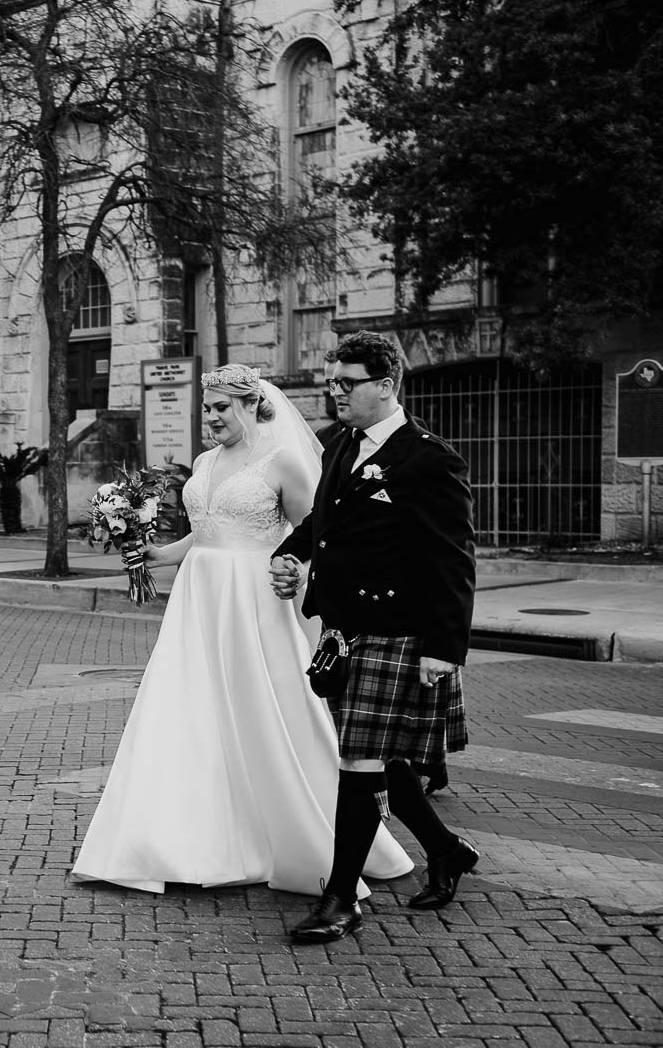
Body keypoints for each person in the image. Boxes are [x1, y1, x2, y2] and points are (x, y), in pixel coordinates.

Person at [71, 364, 412, 898]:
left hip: (254, 600)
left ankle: (305, 833)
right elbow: (206, 530)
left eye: (221, 407)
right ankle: (180, 839)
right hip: (198, 598)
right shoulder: (205, 462)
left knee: (266, 709)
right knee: (189, 709)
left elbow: (314, 534)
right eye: (206, 408)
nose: (211, 418)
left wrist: (296, 576)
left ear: (252, 405)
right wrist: (159, 553)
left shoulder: (283, 464)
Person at [270, 331, 478, 944]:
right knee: (382, 755)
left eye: (347, 383)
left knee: (357, 761)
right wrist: (290, 553)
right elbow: (323, 521)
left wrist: (444, 649)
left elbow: (454, 561)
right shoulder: (341, 443)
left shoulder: (429, 458)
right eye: (331, 381)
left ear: (386, 385)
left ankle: (341, 898)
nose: (335, 392)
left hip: (399, 632)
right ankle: (445, 851)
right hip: (345, 628)